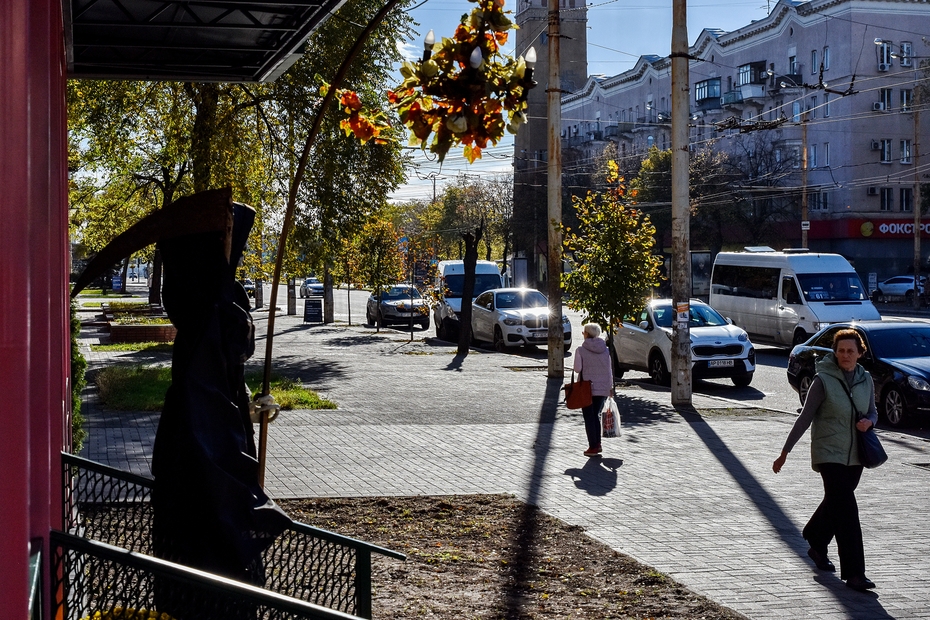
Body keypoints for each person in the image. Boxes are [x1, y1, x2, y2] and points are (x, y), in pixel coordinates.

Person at [772, 329, 878, 592]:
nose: (845, 355)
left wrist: (869, 422)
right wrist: (785, 451)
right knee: (847, 510)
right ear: (835, 352)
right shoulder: (823, 380)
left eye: (850, 351)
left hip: (856, 454)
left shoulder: (866, 380)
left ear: (860, 353)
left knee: (837, 501)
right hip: (828, 453)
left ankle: (816, 539)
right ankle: (854, 573)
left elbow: (874, 412)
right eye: (840, 350)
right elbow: (805, 417)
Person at [572, 323, 615, 457]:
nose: (583, 334)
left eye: (583, 332)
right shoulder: (606, 350)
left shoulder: (580, 350)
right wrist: (610, 387)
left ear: (587, 334)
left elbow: (577, 369)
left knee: (589, 417)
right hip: (602, 388)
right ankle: (598, 444)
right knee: (595, 415)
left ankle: (593, 446)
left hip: (587, 388)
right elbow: (609, 371)